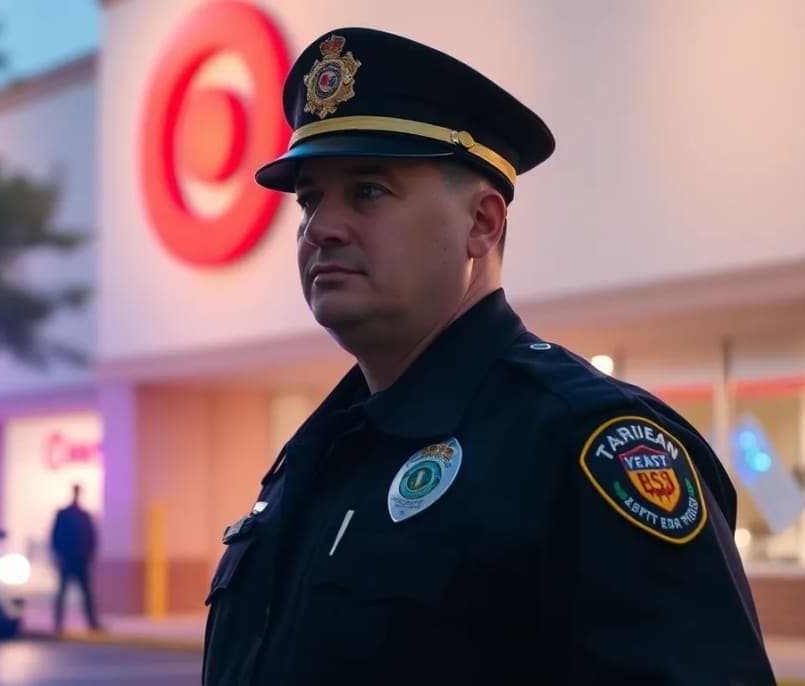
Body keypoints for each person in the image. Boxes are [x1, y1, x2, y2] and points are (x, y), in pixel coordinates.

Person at [202, 27, 775, 685]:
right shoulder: (315, 457)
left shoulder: (579, 444)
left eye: (367, 191)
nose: (320, 227)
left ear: (482, 224)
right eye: (310, 199)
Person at [49, 484, 101, 634]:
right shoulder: (64, 514)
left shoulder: (84, 515)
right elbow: (55, 536)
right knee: (62, 592)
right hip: (67, 559)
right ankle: (58, 623)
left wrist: (90, 556)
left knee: (86, 593)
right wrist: (58, 555)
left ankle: (92, 623)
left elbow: (92, 537)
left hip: (81, 560)